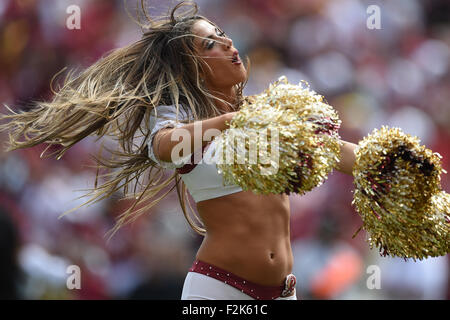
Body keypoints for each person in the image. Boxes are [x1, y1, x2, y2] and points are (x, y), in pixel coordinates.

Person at [0, 1, 357, 300]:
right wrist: (235, 120)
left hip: (283, 292)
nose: (228, 42)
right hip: (220, 290)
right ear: (192, 69)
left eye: (221, 35)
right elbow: (164, 147)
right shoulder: (182, 117)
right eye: (210, 45)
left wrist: (394, 162)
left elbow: (334, 151)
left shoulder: (266, 114)